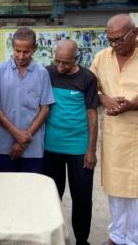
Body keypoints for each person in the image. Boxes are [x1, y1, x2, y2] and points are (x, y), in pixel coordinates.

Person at [90, 14, 138, 245]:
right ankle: (117, 236)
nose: (113, 44)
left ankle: (134, 240)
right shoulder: (102, 57)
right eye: (110, 39)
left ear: (135, 34)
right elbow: (92, 87)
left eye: (119, 39)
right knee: (115, 186)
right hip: (114, 134)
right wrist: (104, 99)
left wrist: (132, 105)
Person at [43, 39, 99, 245]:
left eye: (66, 63)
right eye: (57, 61)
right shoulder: (46, 73)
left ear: (77, 58)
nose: (60, 67)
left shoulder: (88, 78)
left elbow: (92, 114)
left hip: (79, 147)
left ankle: (82, 241)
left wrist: (91, 149)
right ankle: (50, 238)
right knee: (51, 197)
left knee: (82, 198)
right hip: (51, 147)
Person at [0, 27, 54, 173]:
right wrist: (15, 132)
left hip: (33, 147)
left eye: (26, 52)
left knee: (30, 191)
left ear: (35, 48)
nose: (21, 56)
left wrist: (23, 139)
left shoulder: (42, 73)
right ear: (13, 48)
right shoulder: (0, 70)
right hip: (3, 145)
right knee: (1, 188)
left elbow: (45, 109)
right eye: (17, 51)